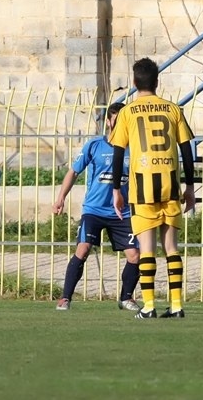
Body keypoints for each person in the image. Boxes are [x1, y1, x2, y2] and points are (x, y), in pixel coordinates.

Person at [111, 58, 196, 319]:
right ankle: (178, 305)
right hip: (170, 185)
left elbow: (118, 154)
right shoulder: (173, 110)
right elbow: (186, 151)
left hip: (142, 188)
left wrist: (116, 190)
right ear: (157, 82)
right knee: (171, 247)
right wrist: (190, 187)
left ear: (134, 82)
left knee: (146, 249)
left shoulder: (127, 112)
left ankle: (149, 306)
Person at [53, 103, 141, 312]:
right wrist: (61, 197)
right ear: (109, 122)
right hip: (94, 210)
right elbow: (74, 172)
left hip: (123, 212)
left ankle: (126, 298)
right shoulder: (94, 146)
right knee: (82, 250)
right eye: (118, 120)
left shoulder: (134, 149)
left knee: (135, 256)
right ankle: (65, 298)